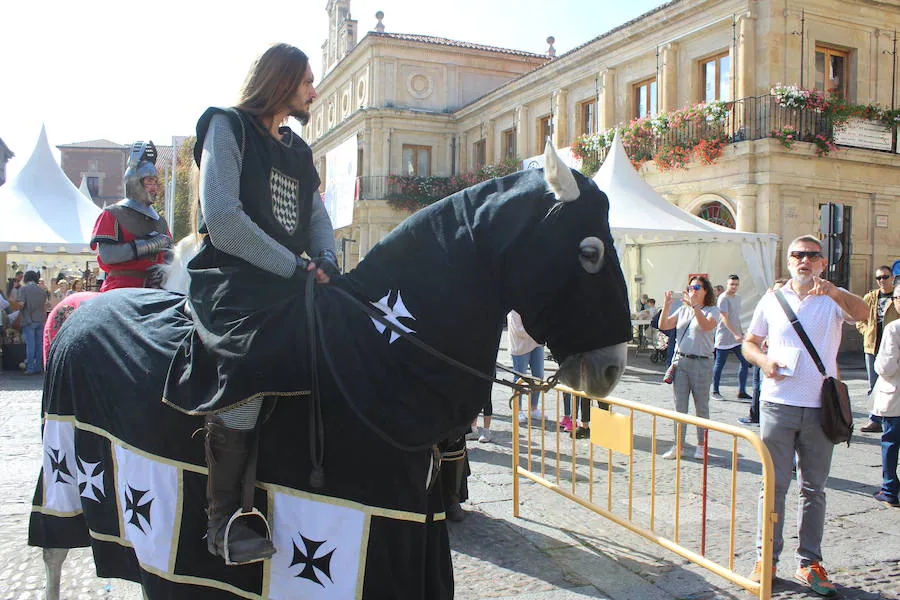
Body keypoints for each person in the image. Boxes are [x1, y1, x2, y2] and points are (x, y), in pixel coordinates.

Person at [162, 44, 337, 566]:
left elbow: (315, 214)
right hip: (233, 280)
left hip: (290, 280)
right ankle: (222, 524)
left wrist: (325, 256)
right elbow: (225, 221)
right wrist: (295, 265)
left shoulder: (299, 150)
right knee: (250, 366)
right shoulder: (227, 127)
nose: (313, 89)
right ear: (280, 82)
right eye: (307, 80)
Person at [742, 235, 867, 595]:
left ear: (822, 263)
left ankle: (809, 562)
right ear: (789, 261)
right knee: (774, 486)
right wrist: (764, 361)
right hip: (777, 404)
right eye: (798, 255)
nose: (804, 261)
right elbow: (750, 342)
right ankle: (766, 557)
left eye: (812, 256)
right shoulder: (771, 299)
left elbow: (864, 314)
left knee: (814, 488)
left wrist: (836, 293)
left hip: (819, 409)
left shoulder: (832, 297)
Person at [90, 141, 173, 291]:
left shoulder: (160, 221)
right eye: (149, 181)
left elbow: (169, 259)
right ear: (135, 182)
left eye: (155, 182)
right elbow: (108, 255)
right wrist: (149, 245)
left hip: (155, 288)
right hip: (120, 287)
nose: (154, 187)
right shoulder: (112, 214)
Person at [657, 275, 719, 459]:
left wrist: (695, 307)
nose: (693, 290)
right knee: (679, 407)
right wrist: (667, 305)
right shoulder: (683, 310)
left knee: (701, 407)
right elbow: (664, 325)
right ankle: (679, 446)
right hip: (681, 362)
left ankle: (702, 445)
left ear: (706, 290)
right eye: (690, 287)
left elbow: (706, 326)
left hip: (702, 362)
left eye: (697, 287)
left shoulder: (712, 310)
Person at [856, 265, 899, 433]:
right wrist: (865, 330)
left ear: (892, 278)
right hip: (872, 346)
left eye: (885, 277)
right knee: (874, 384)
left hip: (892, 346)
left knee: (892, 383)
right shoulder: (871, 297)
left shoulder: (897, 296)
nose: (882, 281)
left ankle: (891, 417)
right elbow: (858, 316)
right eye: (878, 278)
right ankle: (874, 419)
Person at [739, 279, 787, 425]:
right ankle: (755, 414)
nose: (776, 293)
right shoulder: (768, 305)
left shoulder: (786, 311)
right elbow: (753, 337)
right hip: (762, 355)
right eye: (775, 289)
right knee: (756, 384)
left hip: (774, 359)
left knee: (760, 385)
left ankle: (759, 415)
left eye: (780, 290)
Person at [871, 280, 900, 507]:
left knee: (890, 442)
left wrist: (878, 367)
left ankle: (889, 488)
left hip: (896, 396)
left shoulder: (894, 328)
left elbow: (886, 367)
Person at [712, 274, 751, 400]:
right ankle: (715, 391)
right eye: (731, 284)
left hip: (737, 338)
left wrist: (740, 332)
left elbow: (735, 317)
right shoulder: (723, 298)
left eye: (736, 284)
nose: (734, 287)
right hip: (724, 336)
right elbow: (724, 318)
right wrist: (734, 333)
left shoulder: (738, 298)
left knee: (745, 362)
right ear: (727, 284)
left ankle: (742, 391)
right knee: (720, 364)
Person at [508, 310, 545, 423]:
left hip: (536, 342)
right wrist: (537, 330)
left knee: (539, 376)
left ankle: (533, 408)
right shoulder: (513, 306)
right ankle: (517, 409)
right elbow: (518, 329)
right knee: (519, 378)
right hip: (520, 345)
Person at [18, 271, 48, 375]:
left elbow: (21, 304)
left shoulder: (24, 289)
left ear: (26, 278)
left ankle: (30, 368)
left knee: (30, 344)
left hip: (29, 319)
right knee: (39, 344)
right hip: (41, 319)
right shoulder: (42, 290)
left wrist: (20, 310)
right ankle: (38, 367)